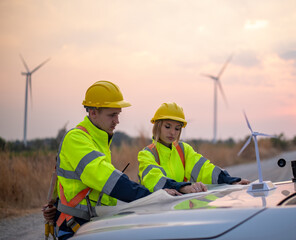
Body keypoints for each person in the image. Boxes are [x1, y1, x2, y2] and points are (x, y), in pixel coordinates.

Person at [42, 81, 155, 239]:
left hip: (94, 225)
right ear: (93, 112)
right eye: (112, 115)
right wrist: (152, 197)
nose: (117, 121)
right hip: (75, 229)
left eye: (118, 114)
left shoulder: (99, 139)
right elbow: (106, 178)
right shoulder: (76, 139)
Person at [138, 102, 250, 195]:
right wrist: (182, 187)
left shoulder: (183, 150)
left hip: (179, 207)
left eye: (177, 128)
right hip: (156, 212)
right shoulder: (147, 154)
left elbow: (205, 169)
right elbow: (155, 179)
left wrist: (230, 181)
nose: (172, 132)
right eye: (168, 126)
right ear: (158, 126)